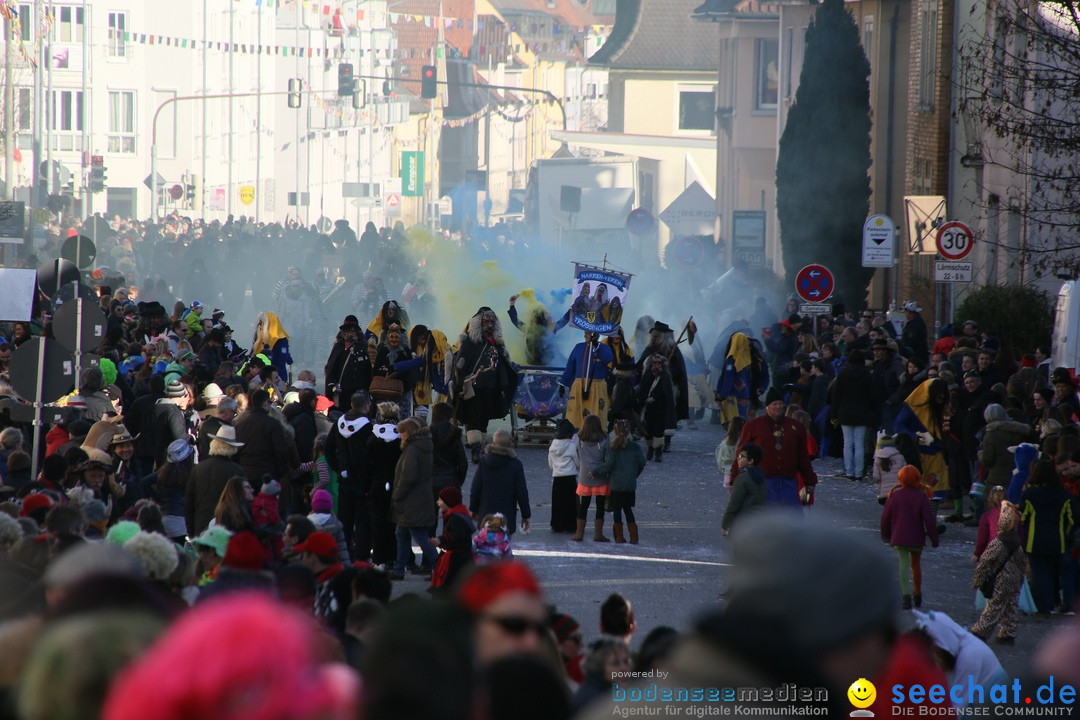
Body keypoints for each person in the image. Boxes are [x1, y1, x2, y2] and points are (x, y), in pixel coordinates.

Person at [730, 386, 817, 507]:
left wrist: (810, 480)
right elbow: (742, 453)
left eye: (780, 404)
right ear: (767, 407)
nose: (778, 407)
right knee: (766, 519)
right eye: (774, 404)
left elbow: (803, 457)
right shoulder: (753, 426)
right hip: (762, 481)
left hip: (789, 482)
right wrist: (734, 478)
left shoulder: (796, 427)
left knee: (792, 519)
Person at [452, 307, 519, 464]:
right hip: (473, 386)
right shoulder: (470, 341)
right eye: (486, 321)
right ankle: (475, 449)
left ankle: (480, 446)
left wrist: (504, 386)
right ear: (478, 323)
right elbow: (461, 364)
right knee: (474, 416)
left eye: (491, 321)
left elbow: (502, 367)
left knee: (484, 418)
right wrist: (460, 382)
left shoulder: (497, 344)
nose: (489, 324)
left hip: (491, 387)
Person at [1019, 458, 1077, 615]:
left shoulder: (1029, 495)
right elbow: (1072, 519)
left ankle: (1043, 606)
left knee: (1038, 574)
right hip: (1057, 540)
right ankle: (1057, 604)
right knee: (1054, 573)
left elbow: (1023, 518)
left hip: (1034, 540)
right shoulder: (1064, 495)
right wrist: (1066, 536)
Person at [881, 465, 940, 610]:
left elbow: (885, 518)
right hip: (916, 537)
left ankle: (905, 596)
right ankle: (917, 593)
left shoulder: (894, 495)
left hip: (899, 536)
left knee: (903, 564)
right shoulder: (921, 496)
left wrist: (886, 535)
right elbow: (929, 520)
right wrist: (934, 538)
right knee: (916, 565)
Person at [971, 501, 1028, 643]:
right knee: (1010, 606)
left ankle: (980, 632)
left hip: (1001, 579)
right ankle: (1008, 633)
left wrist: (978, 580)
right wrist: (1020, 580)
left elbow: (985, 561)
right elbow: (1022, 564)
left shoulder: (999, 542)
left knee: (994, 606)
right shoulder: (1017, 544)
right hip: (1014, 579)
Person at [390, 417, 439, 581]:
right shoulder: (424, 446)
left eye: (402, 432)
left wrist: (397, 494)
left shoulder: (412, 449)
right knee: (402, 535)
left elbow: (408, 476)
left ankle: (441, 567)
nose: (399, 435)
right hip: (420, 497)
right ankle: (398, 569)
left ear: (409, 432)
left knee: (420, 538)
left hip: (411, 500)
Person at [590, 419, 646, 544]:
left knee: (617, 510)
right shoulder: (635, 447)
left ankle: (619, 537)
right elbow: (642, 462)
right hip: (630, 484)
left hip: (615, 484)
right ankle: (634, 536)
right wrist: (634, 474)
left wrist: (595, 472)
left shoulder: (613, 448)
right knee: (628, 509)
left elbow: (608, 465)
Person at [185, 425, 246, 537]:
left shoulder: (197, 469)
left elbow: (189, 503)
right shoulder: (237, 471)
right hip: (225, 526)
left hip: (200, 526)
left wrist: (190, 530)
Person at [469, 429, 531, 537]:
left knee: (485, 547)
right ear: (510, 445)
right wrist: (526, 515)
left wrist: (473, 509)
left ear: (493, 443)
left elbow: (476, 488)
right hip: (506, 516)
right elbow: (522, 492)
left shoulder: (484, 462)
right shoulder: (516, 464)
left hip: (486, 515)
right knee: (503, 548)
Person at [830, 349, 876, 480]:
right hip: (862, 412)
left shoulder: (843, 373)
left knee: (848, 443)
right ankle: (859, 472)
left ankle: (849, 471)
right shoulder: (866, 374)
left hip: (845, 411)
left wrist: (834, 413)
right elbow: (872, 395)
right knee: (859, 443)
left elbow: (836, 395)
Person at [559, 331, 614, 430]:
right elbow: (570, 367)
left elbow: (609, 358)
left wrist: (597, 346)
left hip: (597, 387)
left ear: (595, 335)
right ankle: (575, 437)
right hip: (579, 385)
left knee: (597, 413)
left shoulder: (604, 348)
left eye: (588, 333)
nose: (585, 335)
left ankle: (596, 438)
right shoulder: (579, 347)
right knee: (575, 413)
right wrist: (563, 383)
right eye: (585, 332)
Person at [429, 486, 476, 591]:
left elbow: (456, 536)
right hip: (461, 558)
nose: (438, 502)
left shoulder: (455, 517)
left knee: (450, 589)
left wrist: (440, 540)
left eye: (440, 500)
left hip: (457, 560)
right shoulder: (459, 514)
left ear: (448, 501)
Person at [573, 414, 611, 542]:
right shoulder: (604, 440)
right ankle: (598, 534)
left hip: (584, 476)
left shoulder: (579, 439)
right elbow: (607, 459)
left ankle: (579, 533)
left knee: (584, 505)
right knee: (600, 505)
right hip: (600, 477)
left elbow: (577, 455)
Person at [324, 315, 373, 412]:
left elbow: (369, 370)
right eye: (348, 330)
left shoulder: (364, 347)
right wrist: (331, 386)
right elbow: (331, 369)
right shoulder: (338, 347)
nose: (350, 332)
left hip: (360, 392)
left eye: (353, 330)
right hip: (343, 392)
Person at [635, 353, 676, 463]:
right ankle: (650, 449)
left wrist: (656, 399)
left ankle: (658, 452)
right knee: (648, 430)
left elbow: (667, 394)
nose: (657, 365)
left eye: (659, 363)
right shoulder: (647, 375)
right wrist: (645, 399)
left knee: (659, 431)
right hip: (648, 408)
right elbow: (642, 390)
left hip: (660, 408)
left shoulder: (665, 377)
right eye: (654, 363)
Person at [721, 442, 767, 536]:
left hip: (742, 524)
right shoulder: (762, 478)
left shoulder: (743, 478)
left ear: (750, 461)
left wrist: (724, 524)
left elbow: (734, 503)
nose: (738, 459)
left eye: (742, 457)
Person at [548, 419, 580, 533]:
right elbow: (577, 463)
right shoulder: (571, 446)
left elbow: (550, 465)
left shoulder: (552, 447)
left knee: (557, 503)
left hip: (557, 477)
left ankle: (557, 525)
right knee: (570, 503)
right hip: (570, 477)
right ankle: (570, 525)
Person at [716, 416, 746, 494]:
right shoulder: (746, 441)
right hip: (743, 474)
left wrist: (722, 469)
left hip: (729, 474)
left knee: (733, 498)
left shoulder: (725, 442)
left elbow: (719, 458)